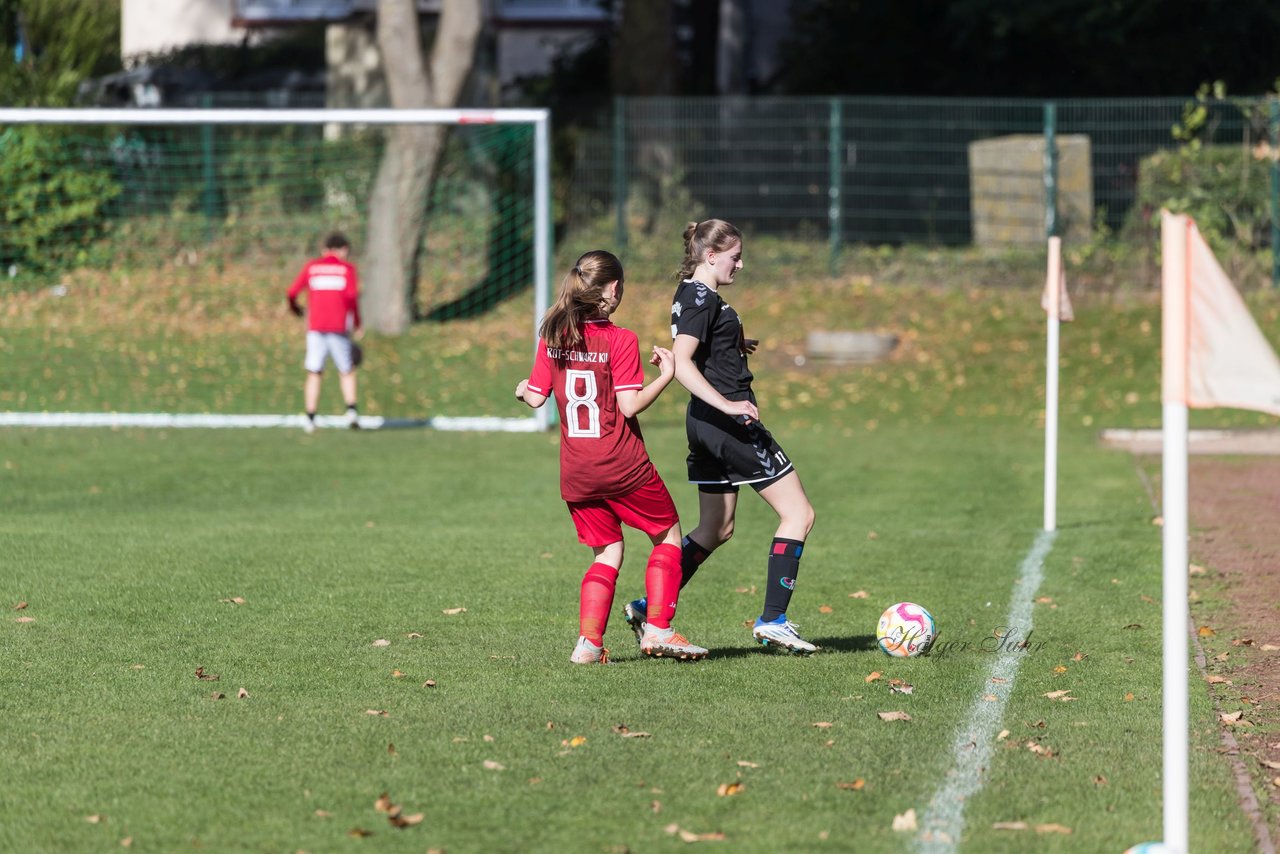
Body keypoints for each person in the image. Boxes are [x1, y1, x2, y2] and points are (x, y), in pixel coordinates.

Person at [622, 219, 818, 654]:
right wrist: (730, 405)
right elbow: (684, 362)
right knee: (799, 515)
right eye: (735, 256)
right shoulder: (698, 296)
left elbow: (702, 346)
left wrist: (731, 344)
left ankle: (648, 605)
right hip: (728, 422)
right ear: (711, 256)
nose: (741, 264)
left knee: (716, 527)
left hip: (704, 424)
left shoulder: (698, 296)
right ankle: (773, 620)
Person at [515, 250, 708, 664]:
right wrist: (667, 377)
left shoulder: (553, 337)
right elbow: (630, 406)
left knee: (607, 552)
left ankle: (588, 644)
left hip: (577, 473)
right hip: (621, 464)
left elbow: (533, 398)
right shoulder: (620, 339)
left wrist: (520, 389)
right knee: (668, 534)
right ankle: (658, 629)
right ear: (614, 288)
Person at [287, 231, 363, 434]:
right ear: (344, 249)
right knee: (346, 370)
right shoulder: (346, 269)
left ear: (324, 249)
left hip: (316, 328)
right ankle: (352, 412)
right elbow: (352, 298)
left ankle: (310, 418)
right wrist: (357, 322)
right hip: (338, 328)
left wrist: (296, 309)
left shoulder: (313, 267)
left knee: (314, 371)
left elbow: (291, 292)